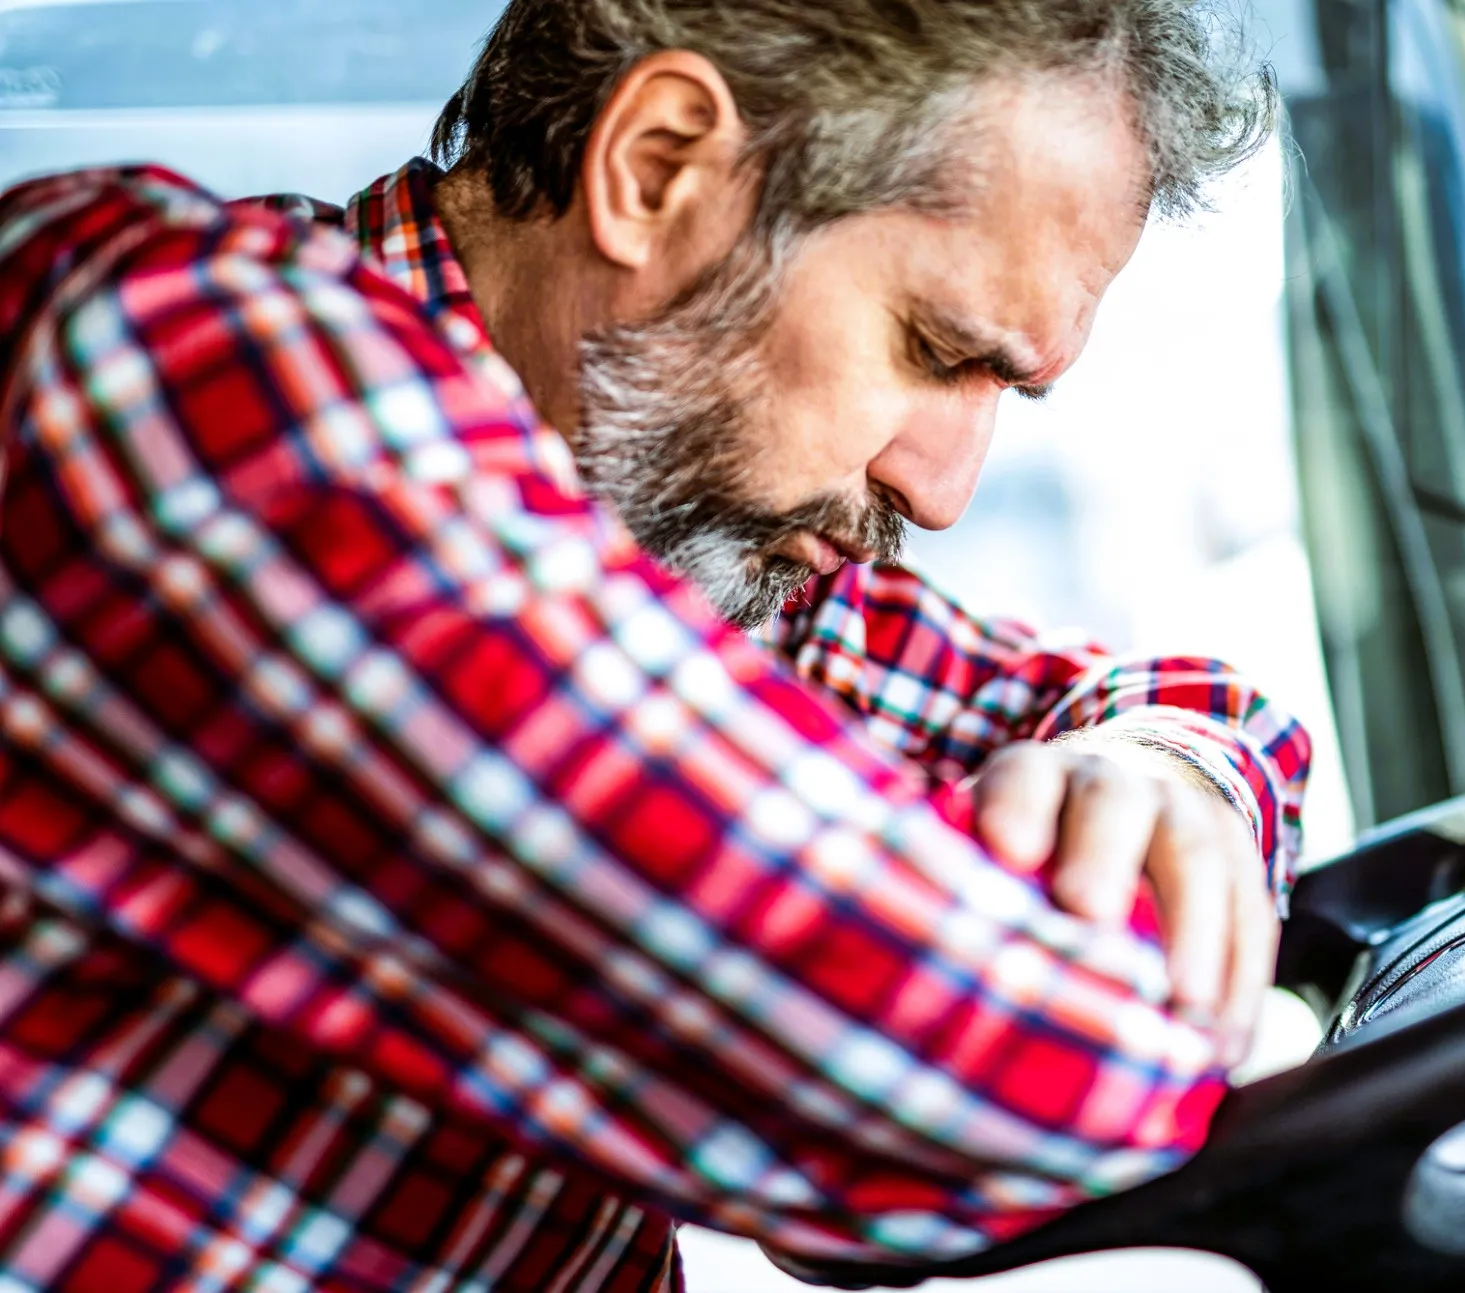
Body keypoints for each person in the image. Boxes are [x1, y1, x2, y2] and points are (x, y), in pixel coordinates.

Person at [0, 1, 1310, 1288]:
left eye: (1003, 391)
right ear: (659, 165)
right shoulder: (192, 362)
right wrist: (1176, 921)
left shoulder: (662, 517)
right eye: (932, 350)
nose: (943, 491)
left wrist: (1156, 782)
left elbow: (1199, 708)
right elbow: (1013, 1083)